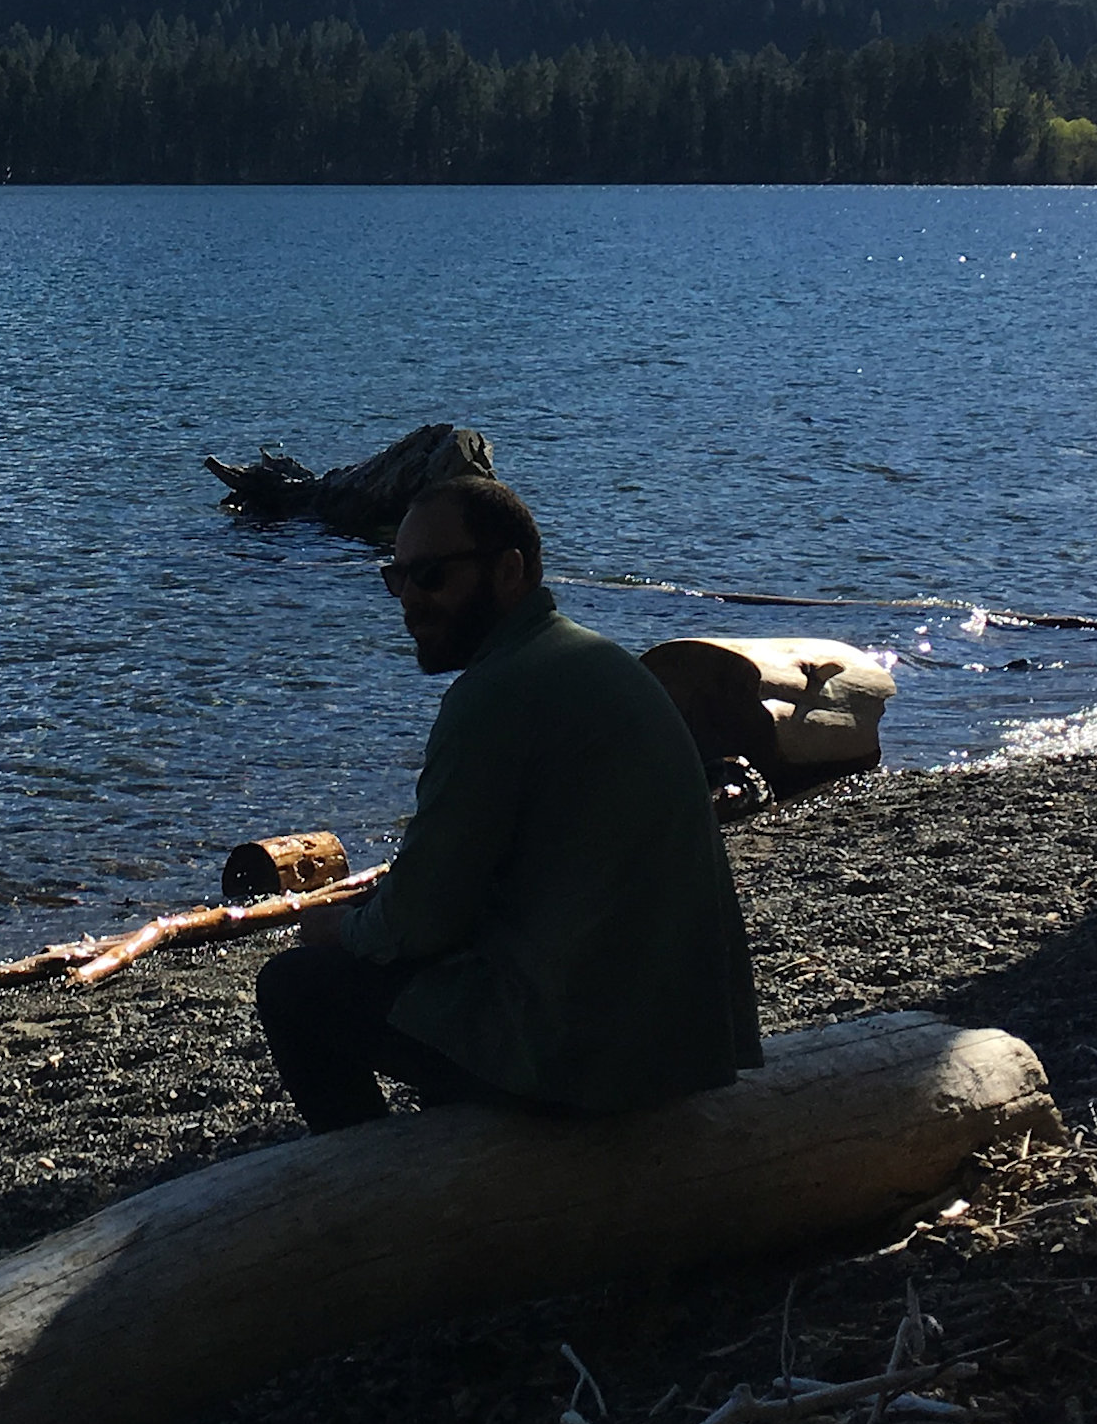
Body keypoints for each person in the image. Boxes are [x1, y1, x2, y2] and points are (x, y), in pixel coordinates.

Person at [253, 476, 761, 1131]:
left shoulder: (494, 697)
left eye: (431, 575)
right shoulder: (602, 663)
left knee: (295, 986)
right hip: (687, 1044)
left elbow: (420, 921)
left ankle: (377, 1179)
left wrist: (337, 930)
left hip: (593, 1063)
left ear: (509, 570)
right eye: (396, 578)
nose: (410, 599)